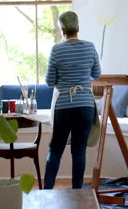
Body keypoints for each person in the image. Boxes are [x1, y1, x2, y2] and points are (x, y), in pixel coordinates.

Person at [44, 11, 101, 189]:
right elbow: (96, 75)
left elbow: (49, 81)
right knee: (79, 151)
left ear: (62, 30)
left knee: (55, 150)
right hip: (85, 105)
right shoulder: (90, 47)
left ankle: (47, 191)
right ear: (78, 28)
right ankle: (78, 193)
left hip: (63, 107)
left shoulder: (57, 49)